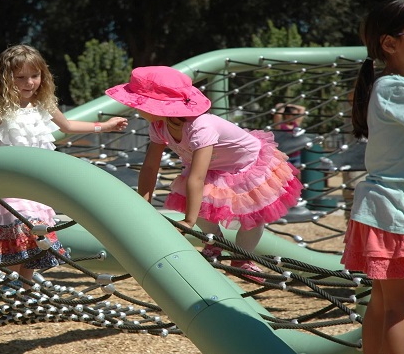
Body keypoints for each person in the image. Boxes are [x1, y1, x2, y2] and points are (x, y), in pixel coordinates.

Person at [0, 44, 128, 289]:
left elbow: (67, 126)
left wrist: (105, 126)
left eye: (35, 76)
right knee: (18, 226)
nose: (29, 83)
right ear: (6, 78)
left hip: (34, 182)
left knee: (37, 231)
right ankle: (10, 281)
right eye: (21, 77)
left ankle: (24, 285)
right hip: (4, 183)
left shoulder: (43, 105)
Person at [105, 66, 303, 283]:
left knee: (253, 215)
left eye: (138, 102)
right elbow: (151, 167)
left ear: (158, 107)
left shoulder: (201, 126)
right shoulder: (159, 126)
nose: (134, 107)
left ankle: (243, 258)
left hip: (247, 164)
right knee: (194, 201)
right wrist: (144, 204)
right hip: (214, 167)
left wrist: (188, 222)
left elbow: (197, 178)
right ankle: (215, 242)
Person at [340, 0, 404, 354]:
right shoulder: (403, 89)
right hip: (393, 208)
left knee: (381, 304)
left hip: (380, 204)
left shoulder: (394, 86)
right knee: (400, 307)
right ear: (390, 44)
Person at [273, 102, 306, 168]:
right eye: (293, 114)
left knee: (298, 176)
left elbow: (302, 109)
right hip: (285, 156)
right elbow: (278, 115)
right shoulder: (280, 126)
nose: (295, 116)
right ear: (287, 115)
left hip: (296, 155)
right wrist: (283, 107)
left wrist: (289, 105)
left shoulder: (296, 124)